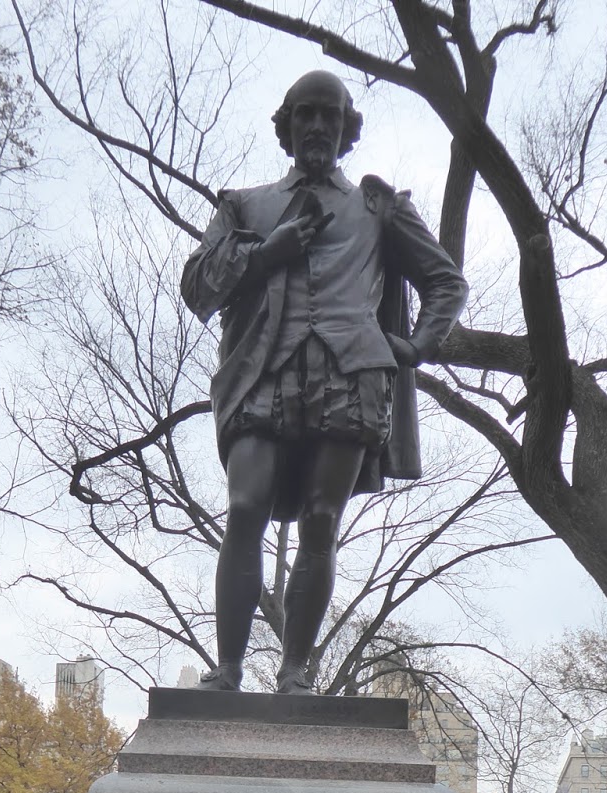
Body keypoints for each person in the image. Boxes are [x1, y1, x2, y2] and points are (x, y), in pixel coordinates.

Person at [181, 70, 468, 694]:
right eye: (305, 114)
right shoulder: (243, 205)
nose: (317, 125)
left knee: (320, 520)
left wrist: (414, 346)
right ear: (286, 128)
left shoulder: (378, 207)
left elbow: (446, 282)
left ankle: (294, 674)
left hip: (350, 375)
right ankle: (227, 670)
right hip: (262, 369)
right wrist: (264, 255)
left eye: (330, 115)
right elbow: (198, 284)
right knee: (246, 506)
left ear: (346, 129)